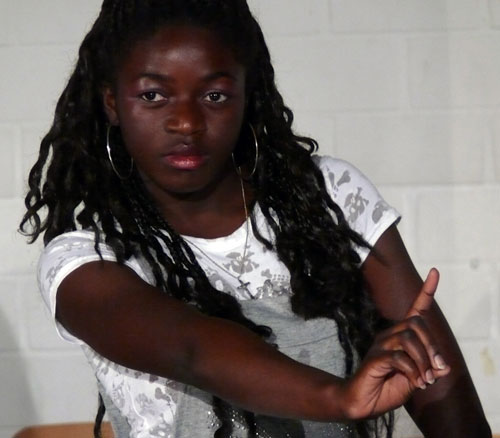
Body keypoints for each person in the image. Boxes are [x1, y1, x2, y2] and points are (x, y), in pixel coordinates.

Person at [20, 1, 491, 437]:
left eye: (215, 96)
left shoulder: (327, 198)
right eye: (153, 95)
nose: (187, 122)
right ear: (112, 103)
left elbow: (431, 372)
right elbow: (192, 349)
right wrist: (339, 397)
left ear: (248, 95)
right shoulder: (85, 261)